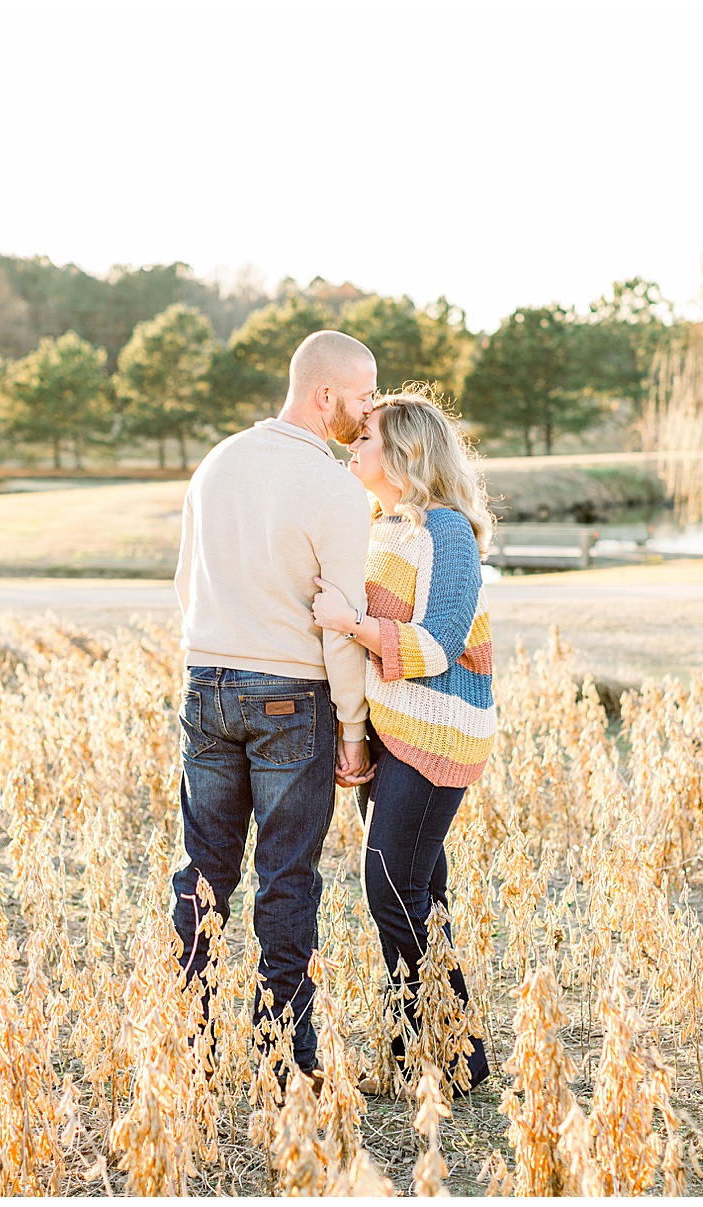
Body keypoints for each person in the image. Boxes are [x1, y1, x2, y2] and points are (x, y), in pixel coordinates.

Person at [171, 329, 378, 1083]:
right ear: (326, 395)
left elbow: (185, 584)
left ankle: (187, 1043)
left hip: (205, 681)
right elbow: (341, 619)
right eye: (363, 396)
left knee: (203, 872)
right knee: (287, 877)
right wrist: (352, 730)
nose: (369, 410)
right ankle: (283, 1056)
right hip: (292, 694)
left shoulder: (216, 461)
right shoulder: (334, 487)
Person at [309, 390, 495, 1094]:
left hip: (437, 732)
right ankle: (437, 1049)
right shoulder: (384, 526)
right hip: (392, 731)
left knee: (391, 887)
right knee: (420, 890)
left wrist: (352, 624)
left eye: (365, 439)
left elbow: (443, 642)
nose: (352, 448)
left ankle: (447, 1051)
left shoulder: (444, 531)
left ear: (406, 452)